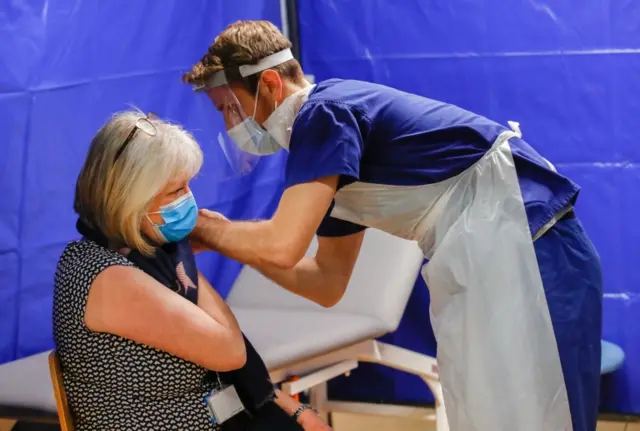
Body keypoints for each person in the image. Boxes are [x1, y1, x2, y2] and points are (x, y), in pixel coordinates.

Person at [182, 20, 604, 431]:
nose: (229, 126)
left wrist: (206, 230)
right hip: (491, 257)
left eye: (229, 108)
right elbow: (325, 283)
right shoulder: (328, 164)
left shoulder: (324, 113)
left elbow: (281, 245)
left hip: (531, 247)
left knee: (541, 416)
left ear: (270, 84)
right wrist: (227, 242)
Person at [53, 110, 331, 430]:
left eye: (188, 186)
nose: (190, 202)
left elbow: (226, 372)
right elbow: (230, 351)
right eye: (176, 191)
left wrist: (293, 409)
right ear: (129, 201)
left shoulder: (150, 255)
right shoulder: (109, 276)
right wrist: (192, 250)